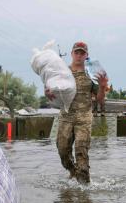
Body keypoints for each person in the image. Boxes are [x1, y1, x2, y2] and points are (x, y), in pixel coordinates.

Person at [46, 41, 108, 184]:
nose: (79, 55)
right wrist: (48, 93)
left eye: (82, 53)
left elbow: (99, 100)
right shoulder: (63, 71)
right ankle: (73, 172)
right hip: (66, 116)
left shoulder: (92, 73)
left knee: (81, 149)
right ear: (72, 53)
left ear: (86, 55)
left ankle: (85, 187)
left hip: (84, 117)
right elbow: (53, 94)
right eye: (77, 52)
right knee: (62, 150)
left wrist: (102, 87)